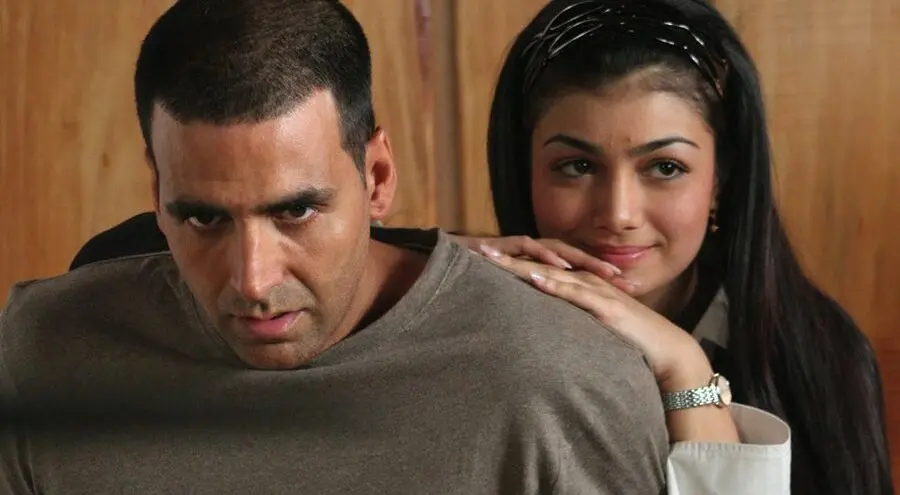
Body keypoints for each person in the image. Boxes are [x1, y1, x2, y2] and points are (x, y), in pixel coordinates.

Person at [0, 0, 676, 493]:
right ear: (157, 193)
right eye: (204, 218)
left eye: (295, 210)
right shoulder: (37, 356)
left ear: (376, 177)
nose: (253, 280)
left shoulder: (563, 387)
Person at [452, 0, 892, 494]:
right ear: (525, 171)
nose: (618, 213)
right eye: (577, 166)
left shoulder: (822, 355)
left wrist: (686, 371)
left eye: (665, 167)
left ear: (720, 177)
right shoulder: (468, 345)